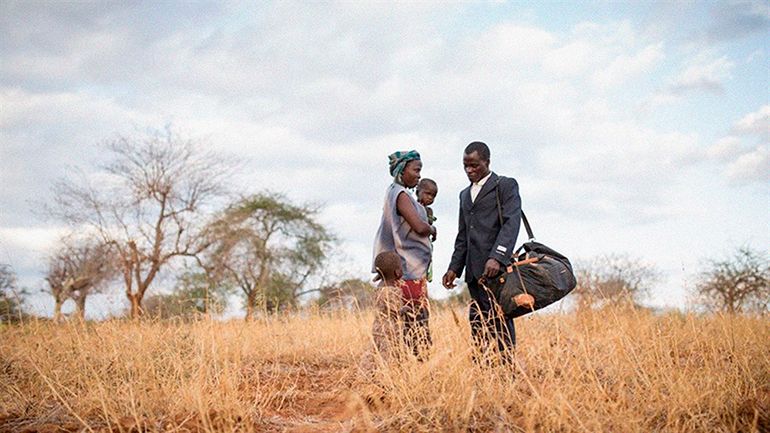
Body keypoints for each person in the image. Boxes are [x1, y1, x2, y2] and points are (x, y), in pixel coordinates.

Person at [441, 141, 533, 364]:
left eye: (474, 165)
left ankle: (505, 367)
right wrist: (454, 267)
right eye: (465, 166)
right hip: (473, 271)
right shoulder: (464, 195)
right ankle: (484, 366)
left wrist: (497, 257)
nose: (469, 170)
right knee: (479, 319)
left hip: (496, 268)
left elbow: (512, 223)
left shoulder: (505, 186)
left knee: (500, 317)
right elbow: (463, 234)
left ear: (487, 162)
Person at [373, 150, 435, 360]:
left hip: (405, 270)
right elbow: (418, 227)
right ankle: (419, 368)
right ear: (402, 170)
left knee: (405, 325)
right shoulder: (400, 195)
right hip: (408, 272)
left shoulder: (393, 192)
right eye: (416, 170)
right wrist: (432, 229)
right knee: (416, 325)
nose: (419, 176)